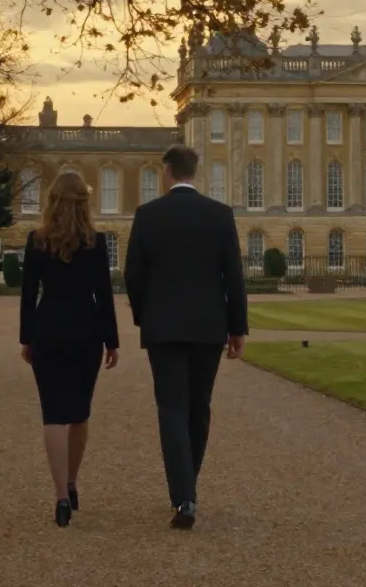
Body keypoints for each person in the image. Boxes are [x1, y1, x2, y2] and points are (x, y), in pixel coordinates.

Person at [125, 144, 248, 530]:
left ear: (167, 172)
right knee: (199, 407)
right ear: (195, 172)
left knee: (172, 408)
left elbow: (133, 276)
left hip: (164, 327)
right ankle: (187, 490)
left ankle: (185, 495)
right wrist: (237, 327)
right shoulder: (219, 215)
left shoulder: (148, 215)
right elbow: (234, 277)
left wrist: (146, 316)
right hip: (209, 327)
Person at [19, 171, 120, 528]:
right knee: (79, 414)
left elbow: (29, 296)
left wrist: (26, 338)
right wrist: (112, 341)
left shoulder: (37, 241)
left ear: (52, 201)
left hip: (48, 330)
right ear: (84, 202)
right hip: (86, 332)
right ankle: (73, 483)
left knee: (53, 415)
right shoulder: (96, 241)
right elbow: (103, 296)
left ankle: (61, 495)